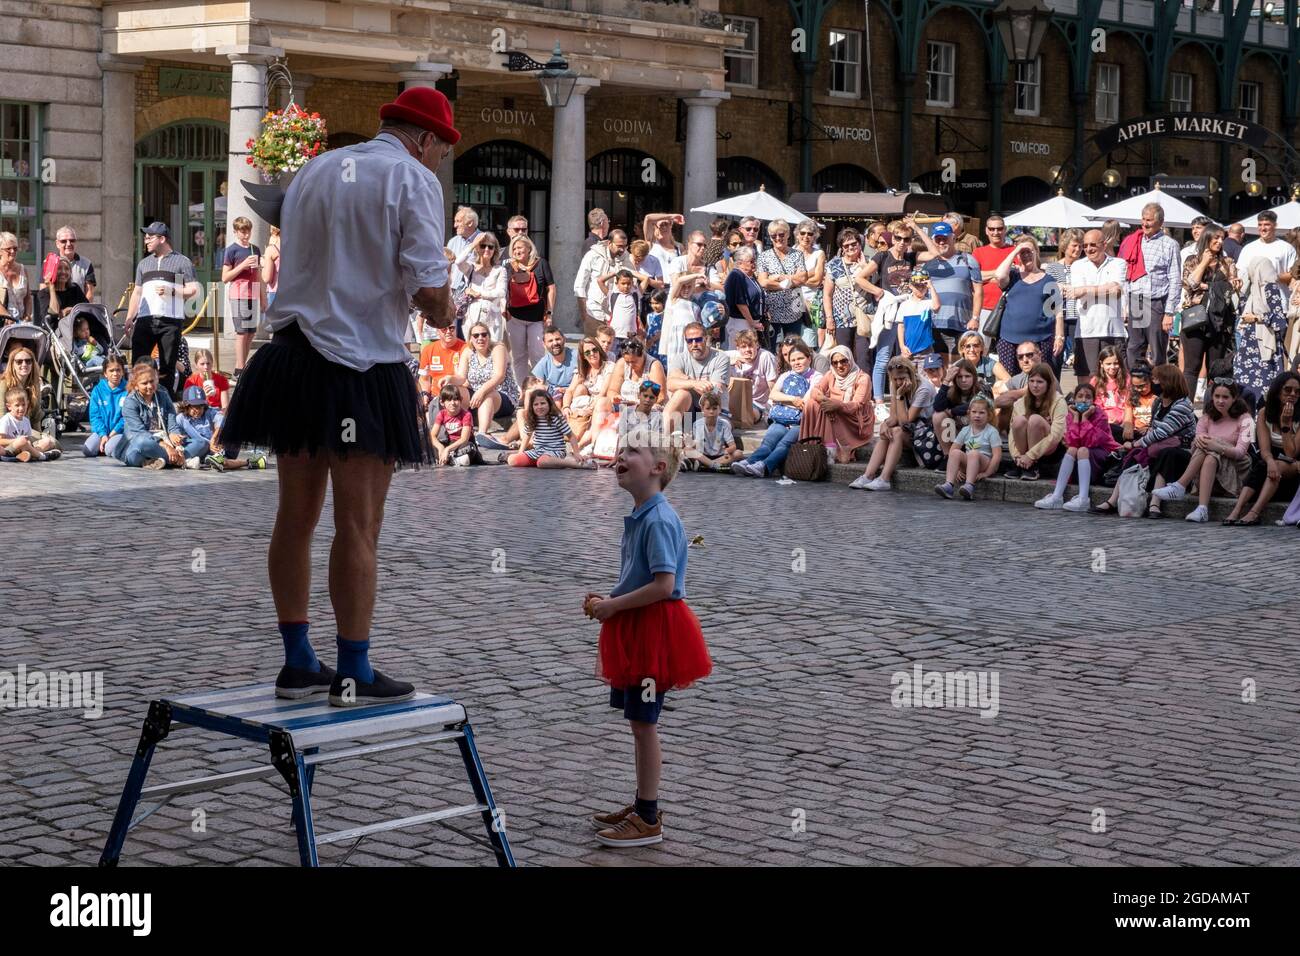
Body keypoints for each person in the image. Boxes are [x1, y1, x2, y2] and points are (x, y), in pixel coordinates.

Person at [219, 85, 460, 705]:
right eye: (441, 149)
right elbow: (431, 297)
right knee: (358, 525)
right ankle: (354, 666)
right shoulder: (412, 179)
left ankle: (298, 660)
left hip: (293, 357)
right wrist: (443, 304)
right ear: (427, 139)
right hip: (361, 363)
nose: (437, 160)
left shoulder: (312, 172)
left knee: (294, 518)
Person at [585, 434, 710, 849]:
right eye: (620, 450)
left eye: (633, 451)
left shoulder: (657, 519)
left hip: (653, 629)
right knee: (640, 724)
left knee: (644, 724)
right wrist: (609, 600)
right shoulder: (644, 514)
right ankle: (643, 804)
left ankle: (649, 816)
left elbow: (664, 585)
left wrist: (615, 606)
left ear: (658, 469)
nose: (621, 456)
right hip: (640, 624)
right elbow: (642, 579)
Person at [1093, 364, 1197, 517]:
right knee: (1133, 451)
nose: (1153, 382)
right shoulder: (1159, 402)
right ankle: (1113, 500)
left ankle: (1155, 503)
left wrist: (1138, 442)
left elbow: (1162, 432)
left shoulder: (1182, 404)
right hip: (1157, 446)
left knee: (1165, 453)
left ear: (1167, 382)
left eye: (1156, 379)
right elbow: (1153, 428)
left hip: (1182, 451)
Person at [1153, 378, 1254, 523]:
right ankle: (1202, 509)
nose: (1220, 401)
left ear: (1234, 398)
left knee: (1211, 446)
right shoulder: (1207, 417)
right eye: (1217, 396)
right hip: (1209, 467)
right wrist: (1204, 442)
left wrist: (1217, 446)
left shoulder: (1246, 419)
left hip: (1236, 468)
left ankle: (1180, 486)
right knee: (1209, 452)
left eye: (1225, 397)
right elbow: (1196, 447)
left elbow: (1240, 453)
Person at [125, 222, 200, 395]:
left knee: (167, 364)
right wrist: (130, 317)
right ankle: (138, 401)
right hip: (145, 320)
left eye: (149, 237)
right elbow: (137, 292)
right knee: (139, 363)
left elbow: (193, 289)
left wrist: (171, 290)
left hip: (170, 321)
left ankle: (164, 406)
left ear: (162, 238)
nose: (146, 241)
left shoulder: (182, 261)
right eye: (145, 237)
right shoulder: (143, 264)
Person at [732, 340, 819, 478]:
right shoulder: (786, 375)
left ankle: (765, 466)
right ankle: (749, 462)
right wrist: (792, 400)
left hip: (801, 422)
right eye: (793, 360)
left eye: (800, 358)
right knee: (768, 442)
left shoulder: (816, 377)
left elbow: (805, 402)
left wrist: (783, 400)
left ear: (809, 358)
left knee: (784, 444)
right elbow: (773, 394)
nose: (797, 362)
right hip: (781, 418)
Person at [1222, 372, 1300, 526]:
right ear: (1278, 391)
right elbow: (1264, 449)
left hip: (1294, 465)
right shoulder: (1265, 413)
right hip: (1271, 462)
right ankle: (1236, 510)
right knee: (1263, 466)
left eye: (1297, 392)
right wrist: (1270, 461)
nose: (1292, 395)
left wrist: (1285, 425)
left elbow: (1292, 453)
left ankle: (1254, 513)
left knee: (1276, 466)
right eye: (1288, 390)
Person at [849, 356, 932, 491]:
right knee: (887, 432)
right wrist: (885, 424)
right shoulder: (895, 385)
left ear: (911, 374)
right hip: (911, 431)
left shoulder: (924, 389)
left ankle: (884, 479)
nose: (899, 382)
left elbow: (905, 422)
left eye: (902, 378)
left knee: (897, 432)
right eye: (895, 379)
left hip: (925, 436)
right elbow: (894, 418)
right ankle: (868, 475)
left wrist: (899, 395)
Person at [1033, 382, 1119, 511]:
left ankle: (1083, 499)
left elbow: (1091, 441)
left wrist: (1084, 418)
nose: (1083, 400)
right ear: (1075, 398)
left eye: (1088, 397)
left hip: (1102, 454)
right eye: (1080, 396)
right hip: (1082, 455)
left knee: (1083, 450)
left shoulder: (1100, 416)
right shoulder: (1071, 414)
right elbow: (1071, 442)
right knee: (1073, 449)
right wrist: (1075, 419)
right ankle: (1057, 496)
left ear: (1093, 400)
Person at [1119, 203, 1181, 369]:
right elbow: (1127, 275)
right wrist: (1125, 304)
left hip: (1156, 302)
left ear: (1160, 223)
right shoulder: (1135, 240)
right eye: (1143, 219)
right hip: (1137, 300)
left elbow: (1175, 279)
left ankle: (1159, 388)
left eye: (1149, 221)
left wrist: (1169, 312)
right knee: (1134, 347)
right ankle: (1135, 385)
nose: (1144, 224)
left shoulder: (1169, 244)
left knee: (1157, 350)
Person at [1180, 225, 1239, 396]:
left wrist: (1206, 286)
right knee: (1192, 367)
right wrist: (1205, 262)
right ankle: (1186, 411)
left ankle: (1212, 410)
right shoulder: (1192, 260)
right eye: (1217, 238)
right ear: (1207, 238)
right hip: (1195, 320)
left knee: (1216, 369)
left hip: (1220, 321)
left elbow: (1232, 286)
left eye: (1222, 238)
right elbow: (1190, 284)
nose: (1220, 242)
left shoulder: (1227, 263)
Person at [992, 236, 1064, 375]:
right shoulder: (1012, 276)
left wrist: (1059, 336)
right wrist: (1015, 250)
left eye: (1029, 251)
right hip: (1009, 339)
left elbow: (1058, 312)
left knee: (1040, 379)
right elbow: (999, 276)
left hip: (1041, 339)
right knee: (1009, 380)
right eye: (1022, 253)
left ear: (1036, 252)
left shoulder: (1049, 280)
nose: (1026, 255)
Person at [1065, 228, 1127, 379]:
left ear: (1104, 245)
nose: (1088, 249)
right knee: (1086, 379)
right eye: (1085, 245)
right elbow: (1078, 294)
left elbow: (1116, 290)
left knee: (1115, 379)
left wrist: (1086, 289)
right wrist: (1105, 288)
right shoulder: (1077, 266)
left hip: (1114, 330)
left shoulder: (1119, 263)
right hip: (1086, 330)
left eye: (1092, 245)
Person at [917, 222, 980, 366]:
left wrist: (975, 318)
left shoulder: (968, 259)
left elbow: (978, 291)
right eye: (938, 239)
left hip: (961, 322)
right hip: (933, 323)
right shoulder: (927, 263)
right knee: (937, 365)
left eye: (945, 238)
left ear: (953, 237)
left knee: (959, 364)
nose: (941, 242)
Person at [800, 344, 873, 463]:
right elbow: (815, 391)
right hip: (834, 411)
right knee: (811, 404)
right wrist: (826, 401)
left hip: (856, 418)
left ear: (850, 359)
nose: (839, 366)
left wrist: (836, 405)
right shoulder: (831, 374)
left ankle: (831, 449)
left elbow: (856, 405)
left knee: (827, 409)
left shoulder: (863, 378)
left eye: (843, 361)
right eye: (835, 362)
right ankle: (810, 445)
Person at [1235, 257, 1290, 408]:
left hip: (1264, 342)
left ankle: (1261, 414)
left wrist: (1257, 318)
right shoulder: (1253, 290)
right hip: (1251, 342)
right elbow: (1243, 313)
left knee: (1264, 379)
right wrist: (1239, 293)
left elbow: (1280, 320)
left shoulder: (1270, 288)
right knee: (1246, 381)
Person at [114, 364, 186, 469]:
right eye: (144, 383)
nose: (149, 386)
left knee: (200, 443)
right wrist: (166, 447)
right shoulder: (130, 402)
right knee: (142, 444)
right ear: (135, 385)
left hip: (166, 440)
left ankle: (161, 460)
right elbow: (140, 433)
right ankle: (180, 460)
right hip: (140, 445)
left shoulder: (163, 395)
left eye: (152, 381)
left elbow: (172, 423)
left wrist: (176, 438)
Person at [454, 321, 519, 438]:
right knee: (456, 390)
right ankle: (458, 427)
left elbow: (499, 376)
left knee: (488, 394)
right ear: (470, 339)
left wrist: (481, 391)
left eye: (484, 335)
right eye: (476, 335)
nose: (480, 338)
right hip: (476, 397)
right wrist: (450, 380)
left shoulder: (498, 348)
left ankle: (482, 433)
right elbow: (461, 377)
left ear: (489, 337)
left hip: (502, 396)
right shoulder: (468, 352)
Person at [221, 216, 268, 379]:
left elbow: (259, 275)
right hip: (238, 294)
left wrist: (264, 297)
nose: (246, 235)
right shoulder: (232, 250)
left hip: (253, 293)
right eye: (242, 231)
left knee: (250, 332)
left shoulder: (255, 249)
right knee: (241, 332)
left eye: (248, 231)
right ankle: (240, 368)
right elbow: (225, 277)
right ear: (235, 232)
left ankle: (241, 366)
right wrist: (242, 265)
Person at [933, 394, 1001, 500]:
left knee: (973, 453)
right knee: (955, 452)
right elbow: (953, 449)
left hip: (985, 464)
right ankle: (949, 485)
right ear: (969, 413)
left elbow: (997, 456)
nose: (977, 415)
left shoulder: (992, 431)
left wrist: (987, 472)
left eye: (982, 413)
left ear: (989, 415)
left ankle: (969, 486)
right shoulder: (966, 430)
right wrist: (958, 469)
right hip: (970, 462)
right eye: (974, 412)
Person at [822, 227, 872, 370]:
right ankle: (846, 389)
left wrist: (864, 267)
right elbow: (827, 294)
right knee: (844, 357)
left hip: (864, 316)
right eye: (846, 245)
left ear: (859, 243)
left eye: (853, 244)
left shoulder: (869, 262)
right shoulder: (834, 264)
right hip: (841, 319)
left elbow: (876, 285)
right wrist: (829, 318)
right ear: (842, 248)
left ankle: (865, 390)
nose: (850, 247)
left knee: (864, 357)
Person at [1007, 362, 1066, 481]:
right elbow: (1011, 434)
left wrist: (1031, 455)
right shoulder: (1020, 402)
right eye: (1032, 381)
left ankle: (1033, 465)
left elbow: (1056, 435)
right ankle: (1022, 465)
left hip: (1051, 450)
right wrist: (1017, 456)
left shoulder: (1059, 401)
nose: (1035, 385)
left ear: (1048, 384)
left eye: (1040, 382)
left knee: (1035, 419)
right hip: (1024, 451)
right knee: (1018, 421)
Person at [506, 389, 592, 468]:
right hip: (538, 451)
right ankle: (540, 462)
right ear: (532, 407)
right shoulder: (532, 418)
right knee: (512, 460)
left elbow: (571, 436)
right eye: (536, 404)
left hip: (555, 451)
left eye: (543, 403)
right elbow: (527, 435)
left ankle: (574, 464)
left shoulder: (556, 417)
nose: (539, 407)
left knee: (542, 462)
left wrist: (576, 453)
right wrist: (521, 452)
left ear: (549, 404)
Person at [756, 220, 808, 348]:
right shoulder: (764, 257)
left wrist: (779, 277)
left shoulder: (797, 255)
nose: (778, 238)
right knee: (771, 348)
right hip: (772, 312)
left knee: (793, 347)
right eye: (774, 236)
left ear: (788, 234)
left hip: (793, 310)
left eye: (781, 234)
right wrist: (785, 284)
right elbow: (763, 282)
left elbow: (802, 278)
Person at [574, 229, 631, 334]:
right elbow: (579, 285)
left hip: (617, 315)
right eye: (619, 246)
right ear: (609, 243)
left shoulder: (627, 258)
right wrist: (584, 315)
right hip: (594, 312)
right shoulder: (592, 255)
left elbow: (633, 284)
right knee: (593, 347)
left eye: (624, 246)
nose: (622, 250)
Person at [972, 214, 1016, 344]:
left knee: (1007, 348)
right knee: (981, 348)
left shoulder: (1014, 251)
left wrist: (986, 276)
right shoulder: (978, 252)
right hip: (984, 308)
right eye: (991, 229)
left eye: (999, 228)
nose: (995, 232)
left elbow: (1016, 276)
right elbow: (975, 277)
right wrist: (1000, 273)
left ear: (1005, 229)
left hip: (1009, 308)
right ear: (986, 230)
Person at [457, 232, 506, 343]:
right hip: (472, 316)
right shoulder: (471, 268)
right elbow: (458, 261)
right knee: (472, 349)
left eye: (490, 247)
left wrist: (479, 294)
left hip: (493, 317)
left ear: (495, 250)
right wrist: (473, 244)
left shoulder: (499, 270)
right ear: (477, 248)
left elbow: (501, 292)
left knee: (493, 350)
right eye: (483, 246)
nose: (487, 249)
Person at [1044, 228, 1083, 369]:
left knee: (1080, 357)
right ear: (1065, 245)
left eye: (1080, 246)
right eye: (1074, 245)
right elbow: (1050, 290)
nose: (1078, 249)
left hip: (1078, 316)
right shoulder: (1053, 267)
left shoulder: (1085, 267)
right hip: (1057, 317)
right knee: (1055, 357)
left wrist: (1064, 287)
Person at [564, 336, 613, 444]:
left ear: (599, 350)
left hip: (603, 405)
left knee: (598, 401)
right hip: (587, 406)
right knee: (580, 388)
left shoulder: (609, 367)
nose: (592, 354)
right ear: (583, 356)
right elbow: (569, 391)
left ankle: (584, 444)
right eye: (587, 352)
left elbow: (603, 393)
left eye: (594, 350)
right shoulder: (582, 370)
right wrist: (566, 407)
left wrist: (588, 410)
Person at [931, 358, 982, 457]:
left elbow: (975, 405)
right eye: (959, 377)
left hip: (980, 436)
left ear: (974, 377)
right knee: (938, 416)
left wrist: (952, 412)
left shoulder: (983, 387)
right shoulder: (951, 391)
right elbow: (937, 407)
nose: (963, 380)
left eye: (967, 376)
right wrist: (946, 381)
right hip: (958, 434)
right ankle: (948, 456)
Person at [603, 337, 667, 414]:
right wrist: (616, 397)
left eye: (634, 361)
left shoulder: (654, 366)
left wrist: (638, 405)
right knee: (602, 404)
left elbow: (661, 396)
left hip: (647, 409)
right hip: (624, 407)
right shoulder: (621, 363)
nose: (630, 365)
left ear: (642, 355)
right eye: (627, 362)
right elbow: (612, 390)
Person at [684, 390, 742, 471]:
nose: (711, 411)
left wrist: (728, 450)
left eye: (714, 408)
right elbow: (696, 444)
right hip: (703, 455)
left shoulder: (724, 424)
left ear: (719, 409)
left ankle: (707, 465)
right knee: (687, 450)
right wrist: (690, 442)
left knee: (738, 453)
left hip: (720, 455)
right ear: (702, 409)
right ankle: (713, 465)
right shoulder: (697, 424)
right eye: (708, 408)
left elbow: (733, 446)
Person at [1236, 209, 1296, 286]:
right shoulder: (1248, 248)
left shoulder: (1287, 248)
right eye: (1260, 225)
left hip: (1280, 296)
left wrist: (1272, 277)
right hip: (1254, 296)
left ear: (1275, 225)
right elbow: (1240, 272)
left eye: (1267, 224)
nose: (1263, 228)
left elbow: (1293, 275)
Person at [84, 354, 128, 458]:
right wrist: (103, 434)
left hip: (119, 432)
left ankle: (115, 445)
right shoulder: (97, 390)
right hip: (101, 432)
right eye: (111, 371)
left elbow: (126, 418)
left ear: (122, 372)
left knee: (109, 449)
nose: (115, 374)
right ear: (105, 373)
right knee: (88, 450)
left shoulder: (129, 390)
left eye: (118, 370)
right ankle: (104, 444)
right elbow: (95, 417)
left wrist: (112, 434)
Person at [418, 323, 469, 409]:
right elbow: (424, 379)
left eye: (451, 328)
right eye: (444, 329)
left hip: (458, 396)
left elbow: (466, 381)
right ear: (438, 331)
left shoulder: (465, 348)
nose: (448, 331)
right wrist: (425, 394)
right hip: (436, 396)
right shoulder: (428, 350)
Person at [0, 386, 59, 461]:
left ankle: (25, 455)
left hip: (24, 448)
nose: (21, 408)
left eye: (23, 404)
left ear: (27, 403)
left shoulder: (26, 420)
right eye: (17, 405)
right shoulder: (6, 420)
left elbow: (28, 439)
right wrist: (16, 441)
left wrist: (27, 442)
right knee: (21, 441)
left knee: (47, 441)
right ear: (9, 407)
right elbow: (1, 441)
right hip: (9, 449)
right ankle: (41, 456)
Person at [430, 383, 481, 467]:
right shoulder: (441, 414)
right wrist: (440, 447)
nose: (453, 403)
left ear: (461, 400)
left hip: (462, 444)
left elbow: (464, 439)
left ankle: (448, 459)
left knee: (471, 448)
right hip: (450, 443)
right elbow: (432, 436)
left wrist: (447, 449)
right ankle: (450, 459)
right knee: (429, 447)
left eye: (456, 399)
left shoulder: (466, 415)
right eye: (449, 400)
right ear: (442, 403)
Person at [174, 384, 225, 467]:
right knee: (201, 443)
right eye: (194, 407)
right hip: (196, 447)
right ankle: (179, 459)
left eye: (200, 406)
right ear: (186, 406)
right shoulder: (181, 418)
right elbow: (177, 436)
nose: (198, 410)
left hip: (212, 449)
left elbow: (221, 418)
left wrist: (214, 437)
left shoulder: (209, 412)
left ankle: (187, 461)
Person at [895, 271, 940, 365]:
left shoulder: (928, 302)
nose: (920, 289)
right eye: (917, 286)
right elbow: (901, 326)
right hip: (908, 351)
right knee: (909, 378)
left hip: (926, 350)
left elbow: (936, 307)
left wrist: (931, 287)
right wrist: (902, 346)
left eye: (923, 286)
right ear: (911, 286)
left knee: (925, 378)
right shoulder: (904, 305)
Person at [722, 246, 763, 348]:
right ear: (740, 263)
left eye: (755, 260)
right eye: (751, 261)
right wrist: (752, 323)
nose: (754, 263)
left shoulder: (750, 275)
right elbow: (741, 302)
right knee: (740, 354)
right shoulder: (736, 275)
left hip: (749, 323)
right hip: (740, 323)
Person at [793, 220, 826, 347]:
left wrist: (797, 280)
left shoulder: (819, 253)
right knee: (793, 339)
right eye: (803, 233)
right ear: (797, 234)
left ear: (815, 236)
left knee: (809, 341)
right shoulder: (790, 252)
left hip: (812, 302)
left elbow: (817, 280)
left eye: (810, 234)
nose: (806, 236)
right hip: (792, 301)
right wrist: (810, 274)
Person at [1092, 345, 1131, 443]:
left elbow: (1129, 404)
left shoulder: (1126, 379)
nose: (1112, 367)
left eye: (1116, 363)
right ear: (1101, 364)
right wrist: (1105, 419)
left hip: (1123, 422)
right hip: (1103, 422)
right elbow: (1095, 407)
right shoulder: (1095, 381)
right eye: (1108, 364)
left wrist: (1126, 422)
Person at [600, 269, 643, 356]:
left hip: (630, 336)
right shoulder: (612, 295)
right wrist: (614, 274)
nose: (626, 286)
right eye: (623, 283)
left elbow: (645, 279)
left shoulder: (635, 295)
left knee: (628, 359)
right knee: (612, 358)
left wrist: (633, 274)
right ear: (617, 284)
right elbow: (600, 281)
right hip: (614, 335)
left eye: (629, 283)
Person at [446, 206, 484, 297]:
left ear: (470, 223)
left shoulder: (485, 240)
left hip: (475, 292)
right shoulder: (453, 242)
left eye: (458, 221)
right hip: (453, 292)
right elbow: (446, 268)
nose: (455, 225)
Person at [533, 324, 578, 399]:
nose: (555, 343)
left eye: (557, 339)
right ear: (544, 345)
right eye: (550, 341)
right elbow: (538, 383)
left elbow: (589, 352)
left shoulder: (577, 355)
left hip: (575, 393)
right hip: (554, 396)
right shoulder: (544, 362)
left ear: (564, 339)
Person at [41, 257, 89, 323]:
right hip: (55, 331)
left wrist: (72, 310)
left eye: (67, 269)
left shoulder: (75, 289)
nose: (63, 272)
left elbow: (87, 309)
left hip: (74, 329)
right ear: (52, 271)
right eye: (59, 268)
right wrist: (51, 288)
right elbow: (54, 312)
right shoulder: (44, 293)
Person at [55, 226, 96, 300]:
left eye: (72, 240)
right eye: (64, 241)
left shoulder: (86, 264)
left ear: (76, 242)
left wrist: (81, 310)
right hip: (55, 309)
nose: (68, 244)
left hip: (79, 309)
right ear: (57, 243)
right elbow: (43, 289)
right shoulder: (49, 263)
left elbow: (89, 293)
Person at [0, 345, 41, 420]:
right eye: (19, 361)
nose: (24, 364)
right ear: (12, 365)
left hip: (26, 427)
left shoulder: (35, 384)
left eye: (28, 361)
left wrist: (40, 432)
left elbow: (36, 418)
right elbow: (1, 416)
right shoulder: (4, 384)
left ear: (32, 364)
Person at [0, 232, 31, 324]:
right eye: (8, 249)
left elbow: (28, 297)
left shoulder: (23, 269)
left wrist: (28, 315)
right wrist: (7, 317)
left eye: (15, 248)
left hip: (20, 323)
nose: (13, 251)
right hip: (2, 322)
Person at [261, 225, 281, 308]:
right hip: (293, 292)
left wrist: (263, 264)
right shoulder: (295, 247)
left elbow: (266, 278)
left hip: (275, 293)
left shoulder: (272, 249)